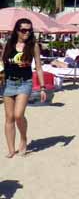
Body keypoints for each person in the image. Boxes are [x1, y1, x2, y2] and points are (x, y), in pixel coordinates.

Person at [2, 19, 47, 158]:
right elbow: (1, 62)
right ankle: (11, 149)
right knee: (9, 117)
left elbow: (38, 67)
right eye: (24, 30)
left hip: (24, 83)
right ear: (17, 31)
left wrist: (42, 87)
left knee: (18, 115)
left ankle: (23, 138)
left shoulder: (33, 46)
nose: (27, 33)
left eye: (29, 30)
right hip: (9, 83)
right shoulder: (8, 44)